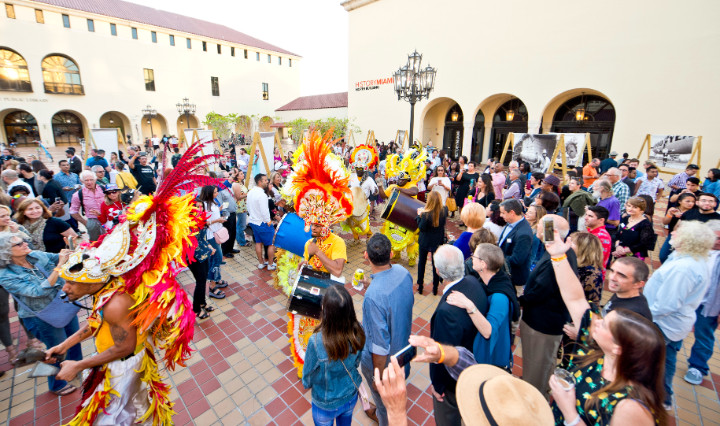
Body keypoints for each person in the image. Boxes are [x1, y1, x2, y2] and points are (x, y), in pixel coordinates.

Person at [45, 149, 207, 422]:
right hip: (111, 360)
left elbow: (124, 347)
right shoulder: (107, 290)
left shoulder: (117, 302)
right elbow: (96, 322)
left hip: (122, 368)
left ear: (93, 280)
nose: (66, 289)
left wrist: (79, 365)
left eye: (72, 283)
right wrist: (65, 345)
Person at [544, 230, 667, 426]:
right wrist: (558, 256)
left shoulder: (631, 405)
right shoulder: (597, 352)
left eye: (604, 324)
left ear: (619, 347)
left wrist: (570, 414)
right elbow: (575, 299)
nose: (597, 321)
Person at [644, 221, 715, 409]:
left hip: (664, 323)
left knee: (659, 362)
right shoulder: (686, 258)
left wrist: (643, 315)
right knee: (666, 359)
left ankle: (661, 399)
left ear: (688, 239)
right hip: (670, 323)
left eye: (677, 233)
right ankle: (663, 398)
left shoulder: (685, 268)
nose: (672, 235)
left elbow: (668, 303)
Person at [0, 233, 82, 395]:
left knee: (75, 340)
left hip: (61, 304)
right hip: (40, 316)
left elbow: (60, 257)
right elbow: (37, 291)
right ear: (5, 252)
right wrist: (59, 266)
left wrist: (70, 249)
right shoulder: (6, 275)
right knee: (56, 351)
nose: (25, 244)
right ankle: (57, 384)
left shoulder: (34, 255)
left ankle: (77, 367)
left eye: (24, 241)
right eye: (19, 244)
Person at [429, 245, 488, 426]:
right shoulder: (473, 282)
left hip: (454, 383)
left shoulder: (446, 312)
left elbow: (443, 353)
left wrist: (438, 386)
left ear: (438, 271)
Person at [360, 234, 414, 426]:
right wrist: (371, 285)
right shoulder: (402, 272)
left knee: (384, 407)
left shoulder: (373, 297)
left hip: (384, 364)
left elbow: (379, 346)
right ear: (391, 253)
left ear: (366, 256)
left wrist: (377, 377)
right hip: (403, 350)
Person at [446, 243, 520, 370]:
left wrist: (469, 305)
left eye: (474, 256)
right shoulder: (490, 279)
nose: (471, 258)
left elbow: (488, 332)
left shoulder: (499, 298)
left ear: (483, 264)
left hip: (493, 360)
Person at [302, 285, 365, 426]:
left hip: (325, 403)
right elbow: (356, 362)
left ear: (325, 310)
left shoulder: (316, 341)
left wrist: (308, 383)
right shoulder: (358, 331)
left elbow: (308, 376)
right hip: (350, 395)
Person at [684, 220, 720, 386]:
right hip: (687, 300)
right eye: (716, 237)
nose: (718, 241)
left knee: (704, 334)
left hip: (708, 305)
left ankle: (697, 367)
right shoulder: (696, 251)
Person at [197, 185, 228, 299]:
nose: (217, 194)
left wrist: (219, 212)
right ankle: (212, 287)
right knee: (216, 259)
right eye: (215, 192)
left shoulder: (213, 202)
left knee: (217, 259)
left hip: (216, 233)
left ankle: (217, 279)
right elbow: (203, 222)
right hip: (210, 236)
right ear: (209, 193)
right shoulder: (203, 204)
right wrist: (217, 220)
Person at [187, 198, 215, 319]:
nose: (200, 209)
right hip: (194, 257)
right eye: (197, 207)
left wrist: (209, 246)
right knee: (200, 282)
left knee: (202, 280)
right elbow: (193, 244)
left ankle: (202, 302)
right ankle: (196, 309)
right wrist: (209, 249)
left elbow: (202, 239)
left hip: (203, 254)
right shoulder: (188, 223)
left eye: (202, 207)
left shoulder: (201, 219)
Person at [497, 199, 534, 288]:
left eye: (503, 213)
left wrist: (495, 259)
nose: (501, 215)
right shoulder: (510, 223)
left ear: (512, 213)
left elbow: (517, 259)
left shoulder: (523, 234)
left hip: (515, 279)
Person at [416, 191, 446, 295]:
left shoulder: (425, 214)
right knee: (435, 265)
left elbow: (421, 227)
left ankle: (420, 286)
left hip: (425, 241)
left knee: (422, 263)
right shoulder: (444, 211)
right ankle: (435, 288)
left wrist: (419, 216)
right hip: (437, 241)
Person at [247, 173, 277, 270]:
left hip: (253, 221)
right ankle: (270, 264)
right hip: (262, 222)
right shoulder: (262, 195)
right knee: (271, 243)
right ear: (259, 182)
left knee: (258, 242)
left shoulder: (251, 192)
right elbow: (265, 211)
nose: (267, 182)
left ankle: (261, 263)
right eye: (265, 180)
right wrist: (269, 222)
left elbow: (248, 207)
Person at [614, 196, 656, 260]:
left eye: (635, 207)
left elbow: (644, 243)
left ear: (642, 210)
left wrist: (625, 251)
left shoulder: (645, 224)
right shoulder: (625, 218)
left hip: (634, 256)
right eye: (629, 206)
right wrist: (618, 246)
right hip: (620, 252)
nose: (630, 209)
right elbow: (618, 234)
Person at [70, 170, 106, 241]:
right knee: (95, 243)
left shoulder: (104, 189)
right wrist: (85, 223)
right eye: (86, 180)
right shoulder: (78, 195)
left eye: (91, 180)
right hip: (93, 221)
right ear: (82, 181)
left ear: (95, 179)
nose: (89, 182)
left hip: (107, 219)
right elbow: (73, 211)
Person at [573, 232, 605, 304]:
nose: (568, 244)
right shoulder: (575, 264)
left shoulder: (592, 274)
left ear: (583, 248)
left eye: (573, 243)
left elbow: (592, 303)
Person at [584, 205, 612, 271]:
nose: (585, 218)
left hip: (593, 275)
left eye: (590, 216)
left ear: (601, 220)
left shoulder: (601, 236)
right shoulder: (591, 231)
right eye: (586, 215)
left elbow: (592, 260)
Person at [231, 169, 250, 247]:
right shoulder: (236, 184)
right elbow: (238, 197)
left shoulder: (240, 183)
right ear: (237, 176)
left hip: (243, 206)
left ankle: (239, 239)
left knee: (240, 224)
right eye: (241, 174)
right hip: (240, 207)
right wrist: (248, 194)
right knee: (241, 225)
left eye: (242, 173)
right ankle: (242, 242)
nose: (243, 175)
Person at [525, 204, 547, 270]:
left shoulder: (536, 232)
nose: (526, 213)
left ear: (537, 215)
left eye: (530, 212)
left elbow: (533, 253)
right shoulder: (529, 228)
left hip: (534, 264)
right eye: (527, 211)